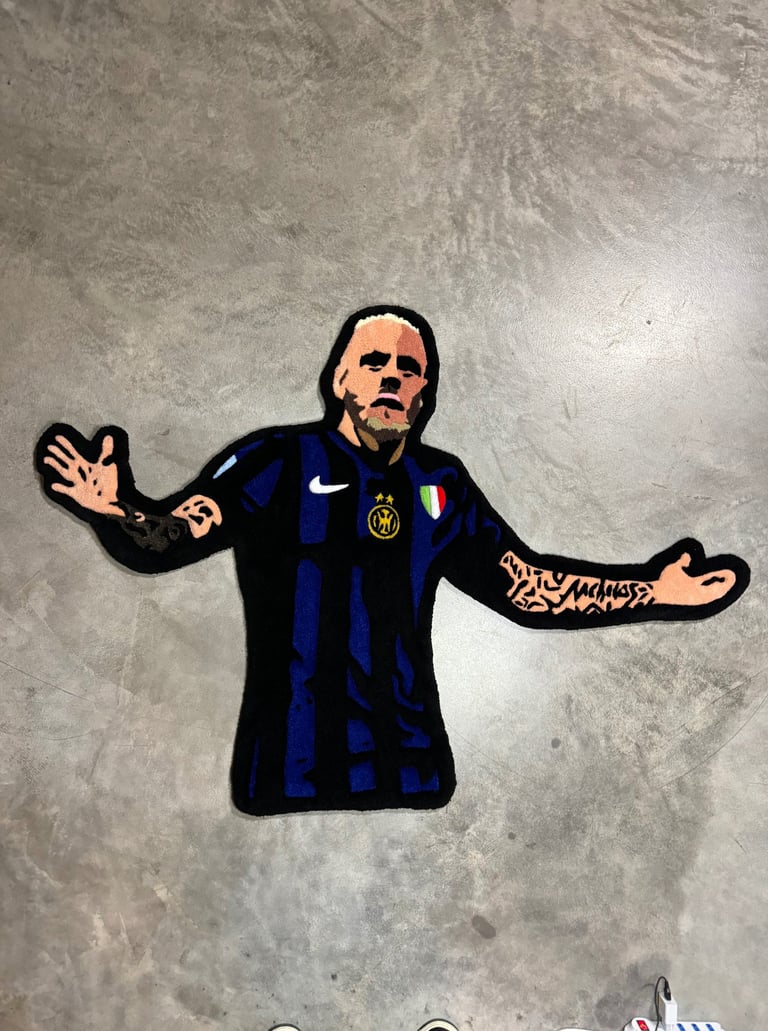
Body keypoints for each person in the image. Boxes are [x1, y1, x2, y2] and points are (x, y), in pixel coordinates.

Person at [35, 305, 750, 815]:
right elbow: (174, 533)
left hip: (408, 769)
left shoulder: (441, 484)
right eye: (374, 362)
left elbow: (529, 589)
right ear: (339, 379)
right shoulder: (274, 463)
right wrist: (115, 509)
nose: (392, 377)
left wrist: (654, 590)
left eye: (409, 369)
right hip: (288, 770)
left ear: (423, 394)